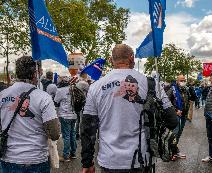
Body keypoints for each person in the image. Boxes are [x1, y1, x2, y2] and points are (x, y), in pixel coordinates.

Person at [80, 44, 178, 173]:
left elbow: (88, 128)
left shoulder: (95, 87)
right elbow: (172, 120)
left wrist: (87, 162)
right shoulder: (152, 84)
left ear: (111, 60)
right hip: (142, 158)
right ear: (132, 58)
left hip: (110, 160)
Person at [0, 56, 60, 173]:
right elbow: (54, 133)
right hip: (36, 161)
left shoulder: (3, 95)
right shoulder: (44, 98)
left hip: (8, 159)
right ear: (36, 73)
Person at [54, 77, 78, 162]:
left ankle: (66, 156)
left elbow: (56, 102)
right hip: (74, 115)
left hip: (65, 115)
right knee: (72, 134)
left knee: (66, 136)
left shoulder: (60, 90)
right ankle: (73, 153)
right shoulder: (74, 89)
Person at [166, 75, 190, 160]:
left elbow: (188, 100)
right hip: (175, 115)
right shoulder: (172, 90)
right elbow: (166, 102)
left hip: (183, 115)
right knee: (174, 134)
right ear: (177, 81)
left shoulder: (185, 90)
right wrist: (176, 110)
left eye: (184, 80)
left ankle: (175, 150)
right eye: (181, 80)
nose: (183, 81)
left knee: (178, 134)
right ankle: (171, 152)